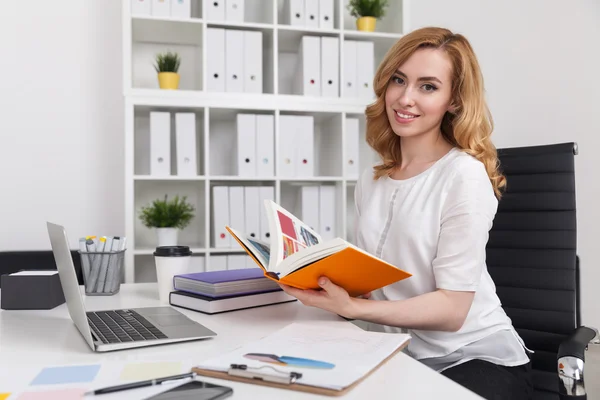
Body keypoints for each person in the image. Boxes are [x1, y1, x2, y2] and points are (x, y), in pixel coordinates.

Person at [279, 27, 534, 399]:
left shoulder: (462, 174)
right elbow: (378, 279)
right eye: (399, 80)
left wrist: (355, 308)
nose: (405, 98)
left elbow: (452, 309)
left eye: (428, 86)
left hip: (473, 358)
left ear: (453, 100)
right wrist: (327, 285)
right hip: (396, 353)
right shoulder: (372, 178)